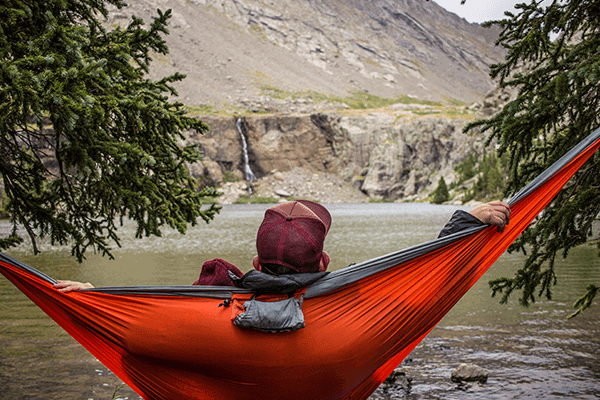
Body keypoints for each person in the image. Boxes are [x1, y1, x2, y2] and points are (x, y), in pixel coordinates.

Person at [54, 199, 510, 293]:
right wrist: (464, 221)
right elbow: (428, 276)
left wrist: (92, 296)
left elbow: (149, 314)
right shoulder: (349, 297)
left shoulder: (217, 300)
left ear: (255, 260)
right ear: (323, 258)